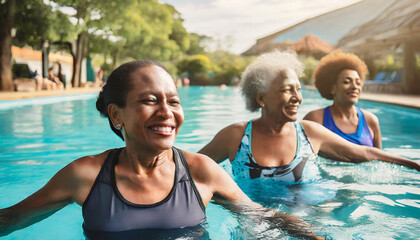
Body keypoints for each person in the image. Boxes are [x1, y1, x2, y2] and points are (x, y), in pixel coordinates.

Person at [0, 60, 322, 239]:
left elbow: (265, 217)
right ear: (116, 114)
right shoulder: (86, 175)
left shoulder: (200, 172)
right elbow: (12, 219)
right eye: (150, 100)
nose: (166, 112)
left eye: (173, 101)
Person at [199, 51, 419, 182]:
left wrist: (414, 165)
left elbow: (362, 152)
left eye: (299, 89)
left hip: (312, 222)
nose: (297, 98)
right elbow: (186, 166)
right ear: (261, 98)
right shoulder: (236, 136)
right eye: (287, 90)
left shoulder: (309, 133)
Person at [304, 50, 381, 148]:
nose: (355, 87)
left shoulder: (371, 121)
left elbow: (381, 160)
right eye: (346, 82)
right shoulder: (315, 119)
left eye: (358, 82)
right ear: (332, 88)